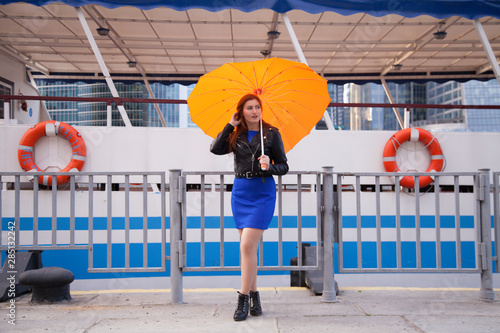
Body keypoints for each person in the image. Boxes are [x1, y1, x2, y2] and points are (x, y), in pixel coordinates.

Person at [210, 93, 289, 321]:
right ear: (241, 112)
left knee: (246, 246)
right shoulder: (237, 134)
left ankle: (242, 298)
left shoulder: (272, 134)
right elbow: (215, 149)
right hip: (241, 192)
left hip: (262, 192)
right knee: (249, 250)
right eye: (249, 108)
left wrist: (269, 167)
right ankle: (255, 295)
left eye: (257, 107)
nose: (254, 111)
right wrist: (229, 125)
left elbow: (283, 165)